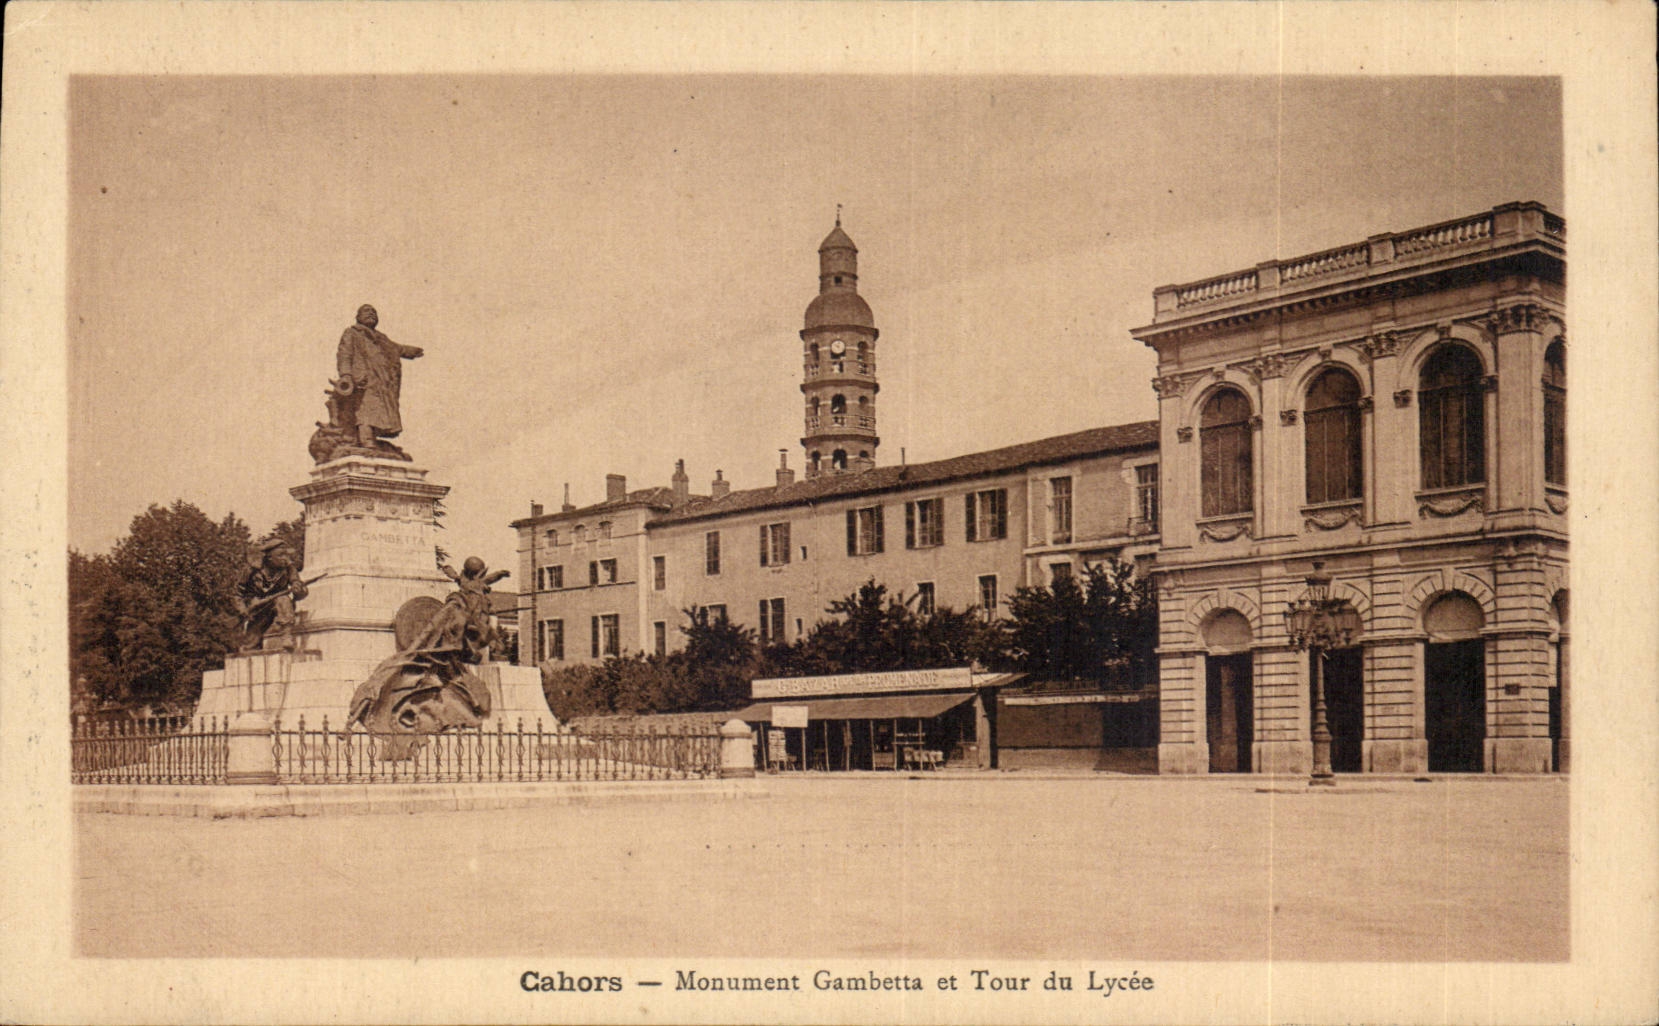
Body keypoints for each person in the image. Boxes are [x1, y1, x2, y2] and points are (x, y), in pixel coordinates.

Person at [336, 304, 424, 448]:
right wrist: (346, 375)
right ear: (357, 317)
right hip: (363, 380)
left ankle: (371, 438)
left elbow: (397, 348)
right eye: (366, 311)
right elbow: (344, 354)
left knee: (379, 410)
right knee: (365, 408)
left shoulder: (381, 338)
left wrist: (410, 351)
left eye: (374, 312)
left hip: (381, 381)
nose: (371, 313)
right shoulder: (352, 333)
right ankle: (366, 439)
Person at [236, 540, 308, 651]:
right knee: (250, 645)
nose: (285, 558)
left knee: (283, 599)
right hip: (258, 608)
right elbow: (237, 593)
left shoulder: (289, 568)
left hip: (279, 604)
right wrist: (242, 608)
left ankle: (287, 636)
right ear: (269, 558)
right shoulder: (250, 570)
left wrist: (298, 590)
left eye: (286, 554)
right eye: (280, 555)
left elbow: (298, 586)